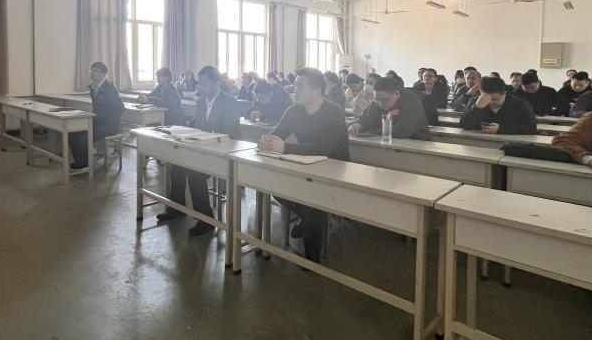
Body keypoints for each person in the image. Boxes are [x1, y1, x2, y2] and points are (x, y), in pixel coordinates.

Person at [258, 68, 349, 262]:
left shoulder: (334, 112)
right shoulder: (294, 110)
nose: (294, 89)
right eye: (295, 85)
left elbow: (325, 149)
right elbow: (277, 135)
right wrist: (266, 141)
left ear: (316, 91)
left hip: (334, 169)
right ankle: (308, 219)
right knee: (277, 188)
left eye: (300, 86)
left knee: (313, 201)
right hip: (305, 165)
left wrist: (284, 147)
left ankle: (312, 255)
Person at [158, 65, 242, 235]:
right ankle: (177, 207)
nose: (200, 88)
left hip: (223, 153)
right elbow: (199, 128)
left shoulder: (229, 102)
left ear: (216, 83)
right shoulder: (201, 102)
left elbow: (232, 134)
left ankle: (206, 219)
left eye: (203, 84)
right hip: (203, 150)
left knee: (194, 173)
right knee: (177, 165)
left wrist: (209, 138)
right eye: (199, 84)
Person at [70, 61, 124, 169]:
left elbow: (120, 108)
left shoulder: (110, 89)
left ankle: (83, 163)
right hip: (97, 122)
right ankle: (81, 160)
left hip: (109, 125)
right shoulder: (93, 87)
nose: (92, 73)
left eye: (96, 71)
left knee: (84, 139)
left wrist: (106, 120)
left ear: (103, 74)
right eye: (91, 70)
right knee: (72, 133)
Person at [348, 77, 430, 140]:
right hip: (385, 141)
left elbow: (402, 131)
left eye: (385, 100)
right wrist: (358, 125)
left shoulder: (411, 101)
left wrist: (373, 131)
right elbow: (365, 119)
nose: (380, 104)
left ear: (397, 93)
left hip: (416, 143)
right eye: (377, 99)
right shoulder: (376, 103)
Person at [459, 76, 537, 135]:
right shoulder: (475, 102)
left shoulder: (520, 104)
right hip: (479, 143)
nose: (490, 102)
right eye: (486, 98)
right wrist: (477, 108)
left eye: (495, 99)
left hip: (512, 144)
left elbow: (532, 128)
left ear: (504, 94)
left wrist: (501, 129)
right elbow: (464, 125)